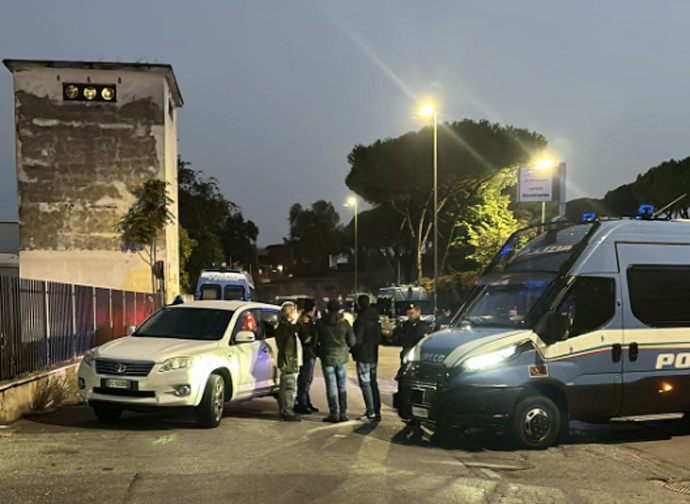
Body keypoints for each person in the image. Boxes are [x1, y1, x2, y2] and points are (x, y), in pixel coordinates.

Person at [314, 299, 356, 423]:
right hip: (342, 357)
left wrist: (320, 351)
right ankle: (343, 413)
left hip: (327, 357)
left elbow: (315, 342)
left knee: (330, 385)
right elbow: (352, 341)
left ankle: (333, 413)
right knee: (342, 386)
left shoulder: (321, 323)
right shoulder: (344, 324)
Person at [352, 295, 382, 422]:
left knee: (365, 384)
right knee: (373, 383)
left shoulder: (361, 320)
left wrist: (353, 351)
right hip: (373, 354)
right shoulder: (375, 318)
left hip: (363, 355)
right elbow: (379, 337)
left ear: (359, 304)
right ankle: (376, 410)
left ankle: (370, 412)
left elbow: (357, 340)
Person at [275, 302, 303, 422]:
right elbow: (289, 332)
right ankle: (287, 411)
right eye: (293, 311)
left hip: (291, 362)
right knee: (289, 388)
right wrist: (299, 321)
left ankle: (286, 410)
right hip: (289, 363)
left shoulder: (286, 326)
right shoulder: (284, 327)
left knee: (288, 387)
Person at [294, 312, 319, 414]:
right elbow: (306, 340)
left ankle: (306, 401)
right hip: (306, 354)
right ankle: (302, 402)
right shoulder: (302, 326)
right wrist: (316, 334)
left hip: (309, 353)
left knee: (307, 379)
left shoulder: (308, 324)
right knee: (305, 379)